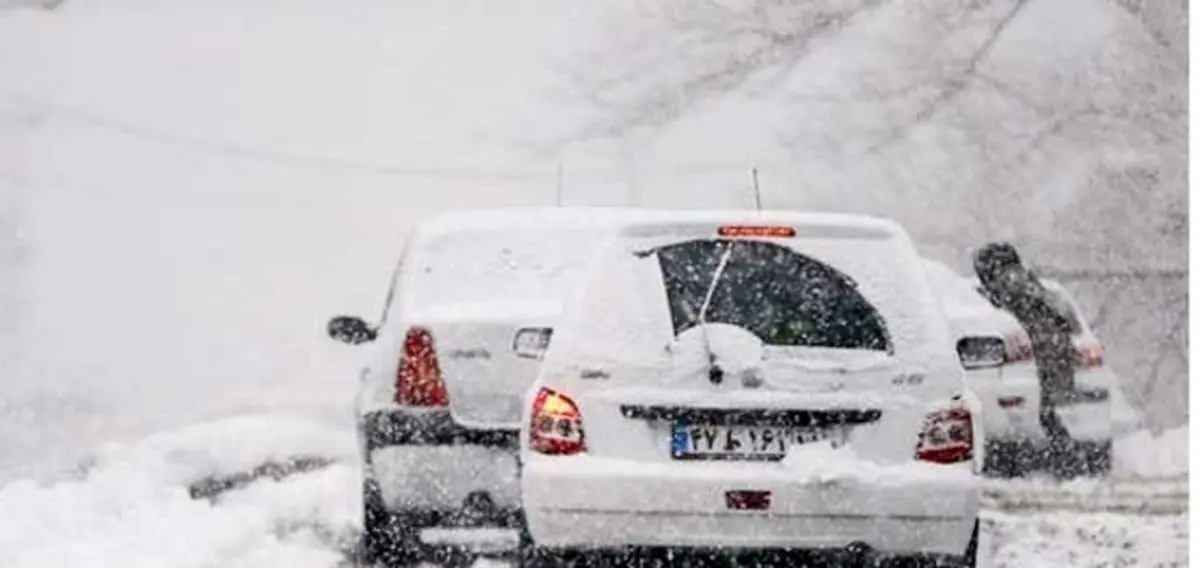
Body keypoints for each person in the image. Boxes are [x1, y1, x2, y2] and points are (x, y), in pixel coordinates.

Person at [973, 242, 1078, 476]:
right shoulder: (1027, 282)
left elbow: (1012, 314)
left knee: (1039, 413)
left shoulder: (1008, 285)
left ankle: (1060, 465)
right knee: (1044, 414)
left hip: (1037, 355)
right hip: (1048, 352)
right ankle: (1065, 465)